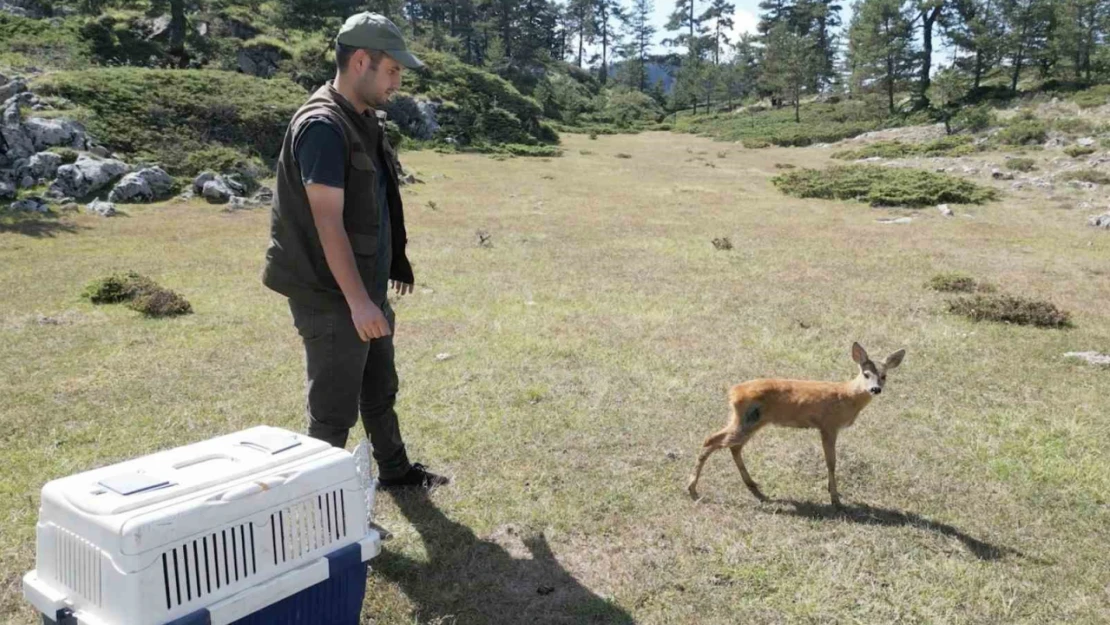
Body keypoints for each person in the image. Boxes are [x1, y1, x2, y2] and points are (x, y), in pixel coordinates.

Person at [262, 12, 447, 491]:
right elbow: (328, 222)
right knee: (332, 412)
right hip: (332, 294)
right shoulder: (323, 126)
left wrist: (380, 282)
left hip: (364, 285)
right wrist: (358, 302)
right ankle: (313, 507)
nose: (397, 81)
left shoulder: (361, 119)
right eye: (392, 70)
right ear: (361, 60)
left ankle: (396, 472)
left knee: (379, 387)